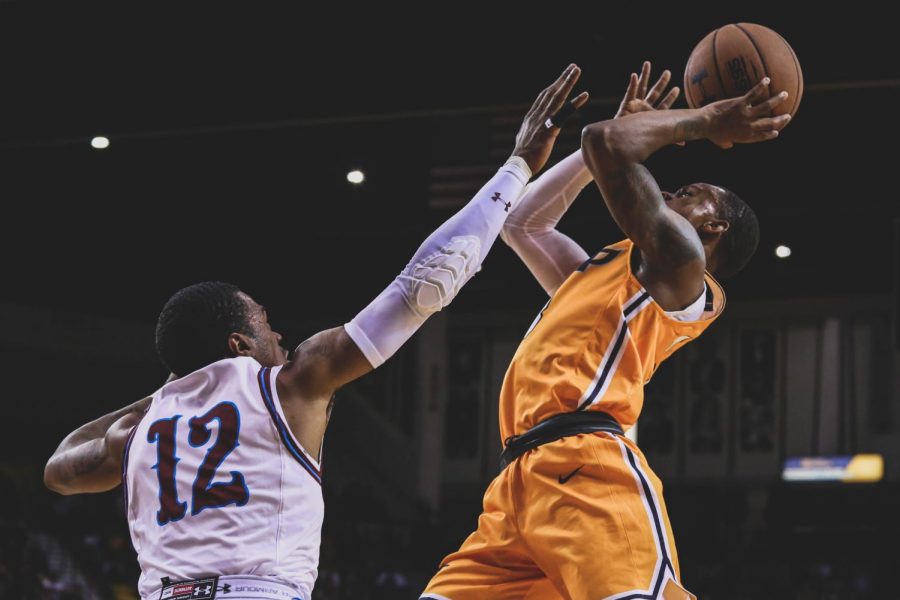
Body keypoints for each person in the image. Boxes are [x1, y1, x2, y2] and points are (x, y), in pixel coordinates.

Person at [43, 64, 590, 600]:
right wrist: (518, 166)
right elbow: (429, 282)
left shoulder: (135, 434)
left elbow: (59, 467)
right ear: (237, 344)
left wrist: (174, 388)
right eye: (265, 325)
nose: (279, 338)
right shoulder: (289, 384)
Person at [420, 62, 790, 599]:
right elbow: (524, 223)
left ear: (713, 228)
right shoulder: (605, 269)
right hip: (519, 481)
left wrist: (704, 119)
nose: (672, 192)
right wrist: (594, 158)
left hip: (589, 467)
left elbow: (605, 141)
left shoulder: (681, 267)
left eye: (689, 192)